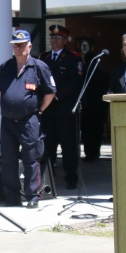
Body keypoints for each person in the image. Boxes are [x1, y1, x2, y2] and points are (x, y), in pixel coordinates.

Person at [0, 30, 56, 208]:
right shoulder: (5, 67)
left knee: (31, 159)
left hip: (29, 121)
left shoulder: (39, 66)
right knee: (8, 160)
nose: (18, 48)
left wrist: (38, 110)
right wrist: (12, 104)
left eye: (22, 45)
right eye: (15, 45)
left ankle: (33, 196)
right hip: (7, 121)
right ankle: (11, 197)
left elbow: (50, 92)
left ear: (30, 46)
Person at [38, 24, 82, 190]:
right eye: (52, 37)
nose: (54, 40)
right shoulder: (43, 57)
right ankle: (47, 179)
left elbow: (74, 82)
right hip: (47, 109)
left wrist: (56, 96)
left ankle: (71, 178)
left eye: (58, 37)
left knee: (68, 146)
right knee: (47, 145)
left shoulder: (73, 58)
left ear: (65, 40)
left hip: (64, 108)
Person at [80, 49, 110, 162]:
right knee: (97, 130)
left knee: (87, 131)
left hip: (87, 105)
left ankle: (89, 153)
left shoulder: (84, 70)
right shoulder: (102, 71)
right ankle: (96, 152)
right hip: (99, 105)